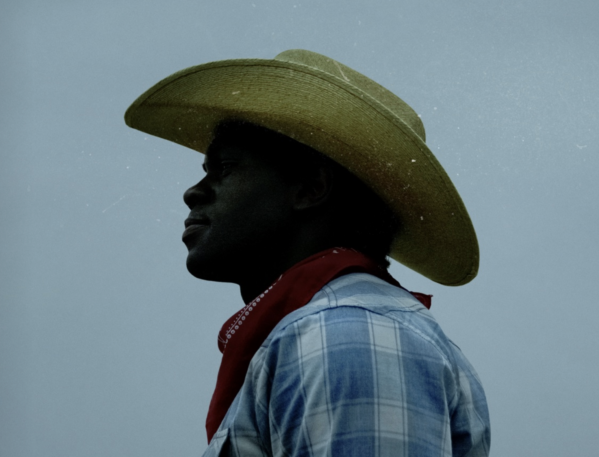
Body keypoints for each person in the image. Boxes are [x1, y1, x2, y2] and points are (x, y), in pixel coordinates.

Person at [125, 49, 491, 456]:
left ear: (310, 188)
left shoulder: (348, 333)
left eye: (225, 168)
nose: (193, 192)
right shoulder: (331, 330)